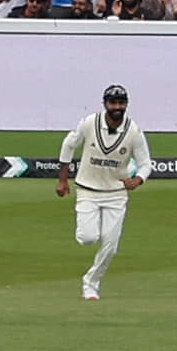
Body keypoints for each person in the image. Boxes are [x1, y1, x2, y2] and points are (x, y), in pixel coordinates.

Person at [55, 81, 151, 302]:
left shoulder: (134, 131)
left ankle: (91, 283)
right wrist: (62, 180)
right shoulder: (89, 123)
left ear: (126, 104)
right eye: (113, 103)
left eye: (121, 103)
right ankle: (89, 239)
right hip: (87, 190)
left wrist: (138, 179)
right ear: (105, 104)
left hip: (116, 194)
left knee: (110, 246)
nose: (117, 107)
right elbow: (69, 145)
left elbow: (146, 163)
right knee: (88, 238)